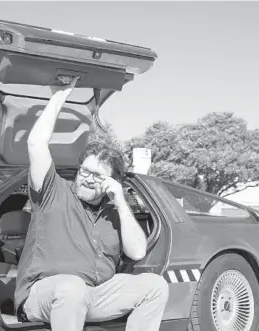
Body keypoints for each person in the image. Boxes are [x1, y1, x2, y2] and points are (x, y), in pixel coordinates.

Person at [15, 76, 169, 331]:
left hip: (93, 296)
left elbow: (137, 252)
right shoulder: (54, 191)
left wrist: (120, 201)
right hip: (44, 295)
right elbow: (36, 143)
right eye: (84, 171)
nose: (86, 179)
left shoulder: (113, 211)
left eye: (97, 176)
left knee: (155, 286)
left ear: (112, 182)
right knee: (72, 288)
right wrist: (59, 96)